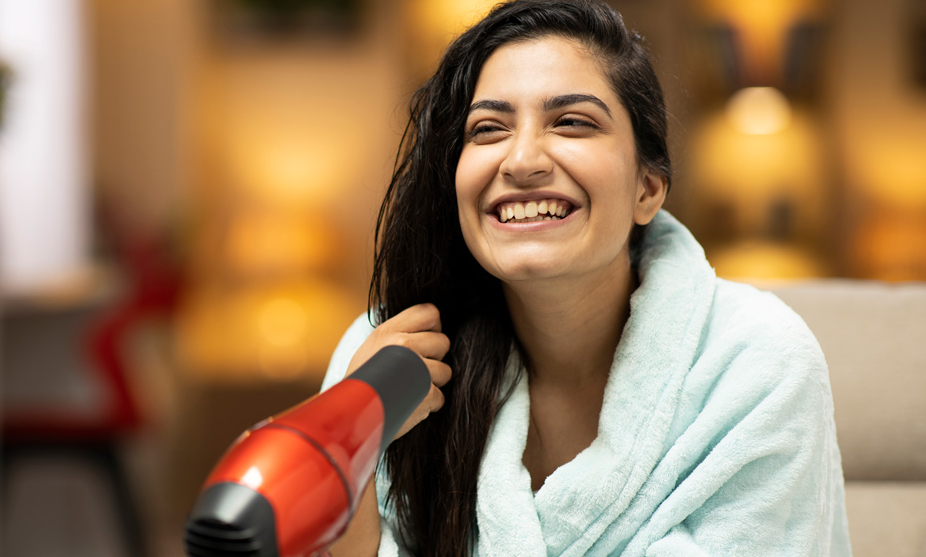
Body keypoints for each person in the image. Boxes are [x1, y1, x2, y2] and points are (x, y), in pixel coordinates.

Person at [321, 1, 851, 555]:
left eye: (572, 122)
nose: (521, 160)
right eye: (488, 129)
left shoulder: (756, 365)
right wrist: (347, 437)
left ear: (648, 188)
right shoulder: (384, 356)